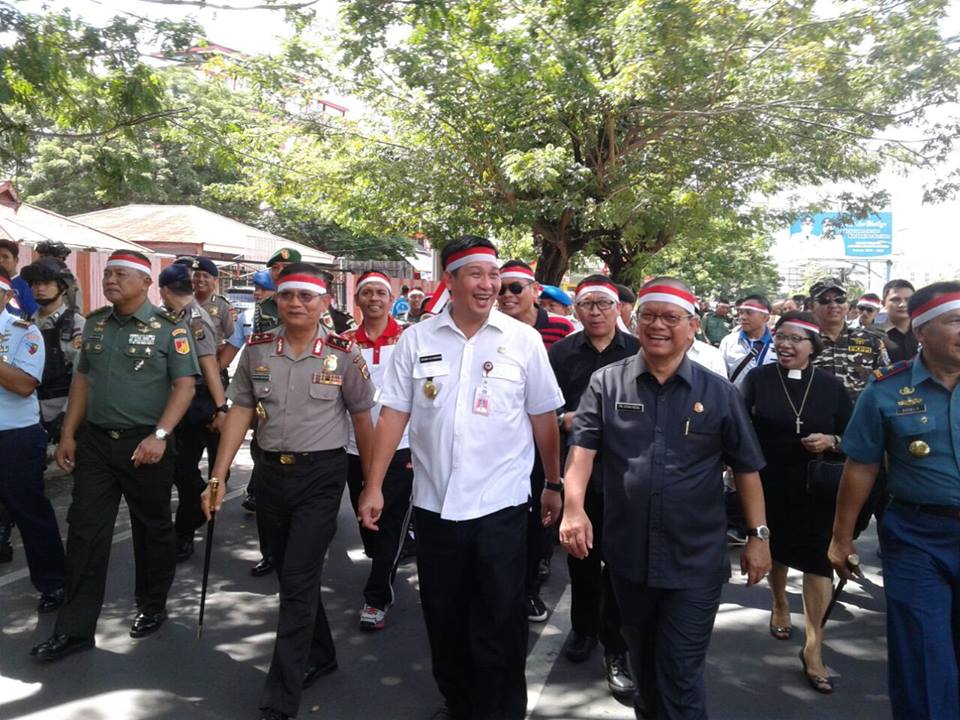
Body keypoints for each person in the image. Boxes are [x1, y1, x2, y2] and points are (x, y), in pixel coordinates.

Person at [358, 235, 564, 720]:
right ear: (449, 281)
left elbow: (543, 419)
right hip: (434, 507)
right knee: (444, 614)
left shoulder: (523, 340)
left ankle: (501, 711)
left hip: (502, 507)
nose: (489, 284)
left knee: (499, 617)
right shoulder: (418, 339)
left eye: (494, 275)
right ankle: (458, 701)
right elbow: (392, 416)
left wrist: (553, 483)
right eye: (476, 274)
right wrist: (373, 485)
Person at [559, 276, 771, 720]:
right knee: (645, 668)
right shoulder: (606, 383)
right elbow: (582, 453)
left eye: (671, 318)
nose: (659, 326)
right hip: (629, 558)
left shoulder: (718, 392)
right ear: (633, 322)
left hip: (693, 559)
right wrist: (573, 509)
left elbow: (746, 468)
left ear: (693, 326)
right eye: (649, 316)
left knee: (679, 673)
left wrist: (758, 536)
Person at [202, 263, 376, 720]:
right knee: (287, 570)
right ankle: (322, 653)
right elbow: (241, 409)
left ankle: (280, 697)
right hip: (270, 475)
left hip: (321, 475)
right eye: (286, 296)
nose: (295, 304)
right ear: (276, 300)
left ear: (324, 303)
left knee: (298, 579)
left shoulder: (343, 353)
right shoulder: (259, 351)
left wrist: (372, 485)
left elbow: (363, 419)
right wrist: (218, 475)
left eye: (305, 296)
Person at [30, 250, 199, 662]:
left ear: (145, 283)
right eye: (107, 274)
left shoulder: (169, 329)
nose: (110, 280)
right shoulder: (97, 325)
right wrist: (69, 432)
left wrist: (160, 435)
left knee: (152, 528)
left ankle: (152, 604)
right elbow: (83, 380)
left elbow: (185, 387)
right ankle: (74, 629)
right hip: (98, 444)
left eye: (121, 274)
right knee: (86, 531)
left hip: (148, 445)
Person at [829, 281, 960, 720]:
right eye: (955, 321)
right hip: (917, 538)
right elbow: (861, 466)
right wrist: (842, 539)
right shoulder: (885, 390)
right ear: (921, 331)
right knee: (923, 651)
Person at [742, 312, 853, 694]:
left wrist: (831, 441)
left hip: (817, 486)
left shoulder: (831, 386)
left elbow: (853, 434)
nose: (785, 344)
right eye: (780, 337)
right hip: (769, 482)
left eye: (795, 338)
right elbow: (739, 427)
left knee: (817, 560)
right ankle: (778, 603)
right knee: (779, 551)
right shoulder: (757, 380)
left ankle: (814, 646)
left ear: (812, 347)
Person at [548, 274, 639, 699]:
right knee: (582, 561)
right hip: (579, 475)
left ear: (618, 307)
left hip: (629, 478)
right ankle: (583, 630)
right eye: (587, 305)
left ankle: (617, 648)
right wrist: (566, 419)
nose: (597, 312)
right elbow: (541, 411)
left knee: (622, 567)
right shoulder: (561, 354)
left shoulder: (639, 352)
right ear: (576, 310)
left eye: (604, 303)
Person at [497, 259, 575, 623]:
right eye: (501, 287)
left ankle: (529, 587)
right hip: (500, 444)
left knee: (539, 516)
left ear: (535, 291)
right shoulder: (487, 328)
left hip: (546, 438)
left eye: (516, 287)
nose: (507, 295)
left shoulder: (560, 328)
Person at [341, 270, 414, 630]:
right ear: (357, 300)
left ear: (391, 298)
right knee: (367, 519)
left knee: (391, 523)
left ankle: (377, 597)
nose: (373, 298)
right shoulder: (342, 343)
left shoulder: (410, 340)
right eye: (366, 292)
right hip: (354, 449)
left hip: (401, 448)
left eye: (380, 293)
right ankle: (383, 558)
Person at [0, 267, 66, 613]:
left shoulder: (24, 332)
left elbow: (26, 384)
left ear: (7, 296)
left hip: (14, 437)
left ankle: (53, 582)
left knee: (30, 511)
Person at [158, 263, 227, 562]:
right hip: (185, 402)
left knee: (207, 473)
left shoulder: (194, 319)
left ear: (163, 290)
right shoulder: (175, 316)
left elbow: (209, 364)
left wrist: (221, 408)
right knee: (183, 470)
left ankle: (187, 529)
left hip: (202, 404)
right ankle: (192, 519)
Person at [21, 259, 85, 443]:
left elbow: (82, 377)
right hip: (28, 413)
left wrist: (67, 416)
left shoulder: (76, 324)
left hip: (61, 411)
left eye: (47, 283)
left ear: (63, 287)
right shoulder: (23, 324)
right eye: (35, 283)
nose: (40, 288)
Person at [809, 277, 888, 401]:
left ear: (848, 305)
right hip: (816, 417)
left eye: (840, 299)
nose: (833, 305)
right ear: (811, 306)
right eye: (824, 300)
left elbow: (885, 380)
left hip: (859, 417)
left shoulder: (871, 341)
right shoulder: (803, 341)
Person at [719, 295, 776, 390]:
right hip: (736, 402)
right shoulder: (729, 341)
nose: (742, 317)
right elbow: (720, 377)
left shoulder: (778, 344)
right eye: (741, 312)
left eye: (749, 313)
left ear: (766, 317)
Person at [186, 256, 235, 346]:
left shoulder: (222, 306)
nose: (201, 279)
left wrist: (222, 358)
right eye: (197, 275)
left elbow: (233, 337)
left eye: (205, 276)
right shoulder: (184, 303)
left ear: (215, 280)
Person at [880, 279, 918, 363]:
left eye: (908, 300)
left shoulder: (925, 332)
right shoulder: (873, 335)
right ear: (883, 303)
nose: (902, 304)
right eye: (895, 300)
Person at [0, 239, 37, 317]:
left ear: (16, 260)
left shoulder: (26, 285)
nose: (0, 260)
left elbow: (33, 313)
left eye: (5, 257)